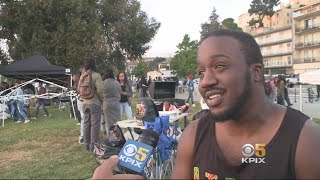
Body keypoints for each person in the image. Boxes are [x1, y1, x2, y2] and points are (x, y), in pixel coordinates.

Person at [92, 29, 320, 179]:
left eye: (220, 66)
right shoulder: (193, 136)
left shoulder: (305, 141)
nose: (205, 81)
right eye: (201, 71)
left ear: (256, 73)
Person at [79, 59, 103, 151]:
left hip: (85, 103)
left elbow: (79, 89)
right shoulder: (96, 75)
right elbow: (100, 90)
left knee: (86, 123)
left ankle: (86, 143)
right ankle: (94, 145)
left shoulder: (83, 76)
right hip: (94, 102)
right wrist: (102, 100)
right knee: (95, 124)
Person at [102, 69, 121, 135]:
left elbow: (101, 93)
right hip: (116, 104)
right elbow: (120, 92)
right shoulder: (117, 82)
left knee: (108, 123)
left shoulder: (103, 83)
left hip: (107, 104)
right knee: (117, 122)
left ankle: (110, 138)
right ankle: (119, 137)